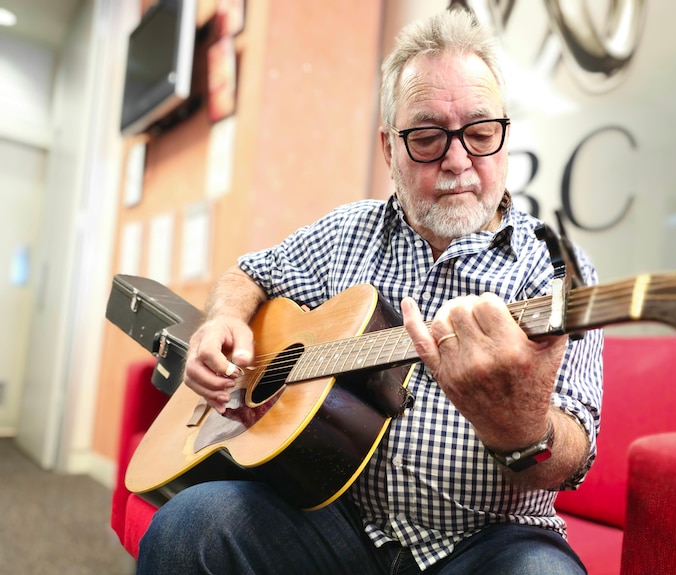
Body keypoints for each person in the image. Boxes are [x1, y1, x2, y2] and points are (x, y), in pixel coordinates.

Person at [137, 8, 602, 575]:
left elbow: (575, 451)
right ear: (389, 149)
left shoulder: (557, 271)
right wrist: (223, 321)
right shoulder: (344, 232)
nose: (458, 161)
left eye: (481, 134)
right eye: (428, 139)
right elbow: (248, 273)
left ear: (505, 139)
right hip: (335, 521)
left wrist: (523, 428)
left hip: (489, 542)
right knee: (190, 529)